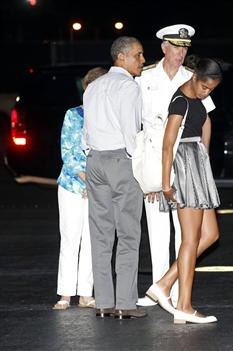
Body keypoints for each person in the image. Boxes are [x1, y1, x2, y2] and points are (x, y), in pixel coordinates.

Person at [135, 24, 216, 308]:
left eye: (185, 48)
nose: (181, 53)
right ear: (164, 48)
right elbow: (137, 125)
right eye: (176, 47)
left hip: (185, 160)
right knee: (157, 230)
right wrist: (152, 177)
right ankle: (159, 290)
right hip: (155, 159)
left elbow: (206, 120)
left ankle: (178, 290)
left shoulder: (192, 78)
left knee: (187, 233)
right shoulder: (144, 77)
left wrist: (202, 156)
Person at [147, 57, 222, 324]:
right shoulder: (180, 101)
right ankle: (184, 305)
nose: (206, 92)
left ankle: (164, 284)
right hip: (184, 166)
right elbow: (168, 144)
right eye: (204, 87)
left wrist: (205, 152)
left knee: (211, 234)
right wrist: (166, 184)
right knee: (190, 239)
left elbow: (206, 123)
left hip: (197, 163)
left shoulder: (199, 100)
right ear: (194, 78)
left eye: (211, 89)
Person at [83, 36, 146, 319]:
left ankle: (103, 303)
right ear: (122, 57)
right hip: (121, 159)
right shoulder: (128, 87)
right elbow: (131, 131)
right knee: (129, 233)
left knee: (101, 234)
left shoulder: (93, 87)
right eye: (139, 55)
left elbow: (86, 131)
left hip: (95, 160)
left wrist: (92, 153)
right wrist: (138, 163)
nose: (142, 60)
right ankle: (126, 303)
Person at [53, 67, 107, 311]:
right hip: (72, 186)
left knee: (92, 241)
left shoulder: (108, 118)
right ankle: (65, 293)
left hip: (97, 186)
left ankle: (86, 293)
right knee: (70, 237)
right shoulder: (74, 115)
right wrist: (87, 180)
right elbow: (69, 152)